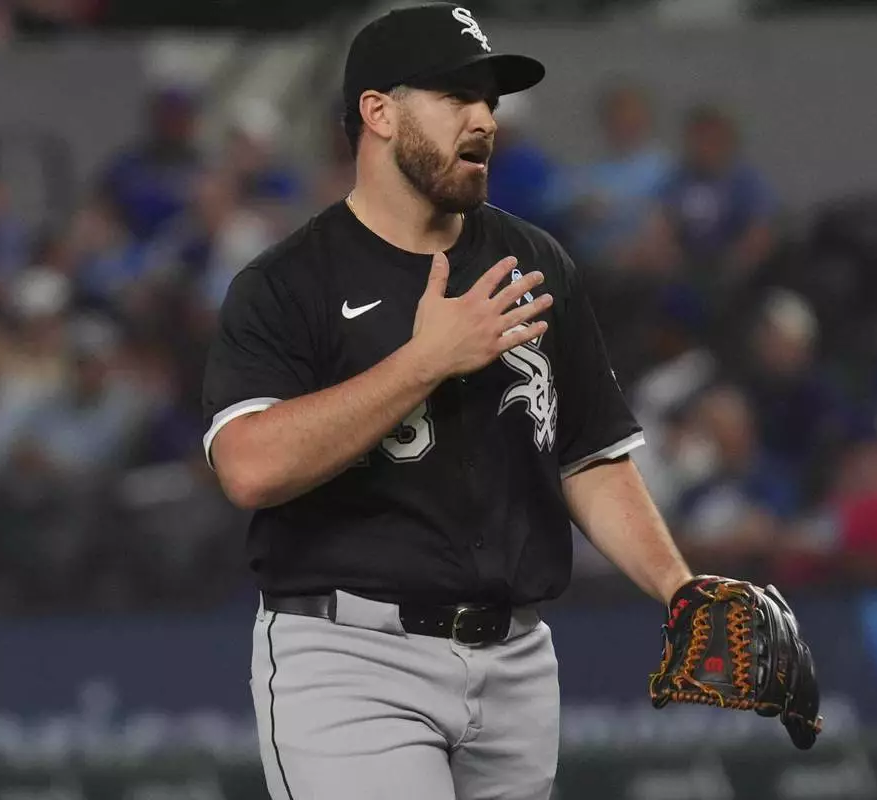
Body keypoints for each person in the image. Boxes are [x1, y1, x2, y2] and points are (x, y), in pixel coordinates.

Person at [201, 5, 817, 800]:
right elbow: (249, 467)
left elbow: (589, 454)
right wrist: (423, 362)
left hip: (516, 659)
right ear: (378, 111)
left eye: (489, 100)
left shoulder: (534, 259)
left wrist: (679, 585)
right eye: (456, 96)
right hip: (351, 655)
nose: (484, 119)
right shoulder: (289, 284)